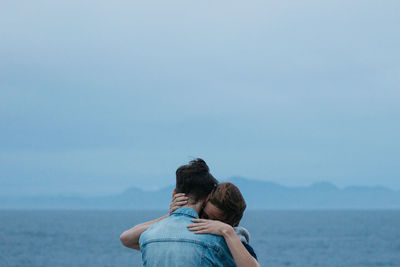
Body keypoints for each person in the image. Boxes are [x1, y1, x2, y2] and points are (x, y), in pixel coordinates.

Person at [120, 163, 259, 266]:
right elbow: (125, 238)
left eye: (216, 221)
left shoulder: (150, 235)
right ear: (206, 199)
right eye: (205, 215)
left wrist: (226, 231)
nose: (208, 223)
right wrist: (173, 215)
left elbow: (127, 238)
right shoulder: (215, 242)